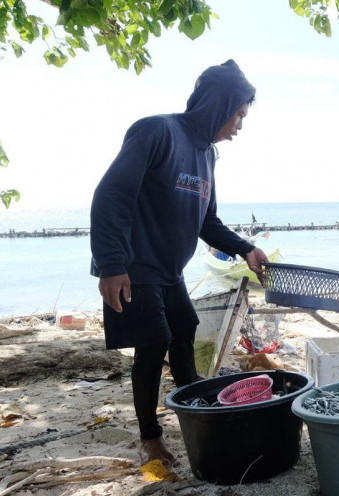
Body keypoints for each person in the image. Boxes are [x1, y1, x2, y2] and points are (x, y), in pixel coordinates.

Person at [89, 59, 268, 465]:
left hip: (170, 272)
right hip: (134, 268)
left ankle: (195, 411)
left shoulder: (207, 156)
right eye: (238, 114)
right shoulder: (156, 131)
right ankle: (150, 438)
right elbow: (110, 195)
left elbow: (207, 220)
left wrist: (245, 248)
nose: (239, 126)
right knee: (152, 347)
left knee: (184, 330)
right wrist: (111, 264)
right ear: (219, 104)